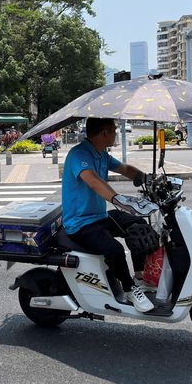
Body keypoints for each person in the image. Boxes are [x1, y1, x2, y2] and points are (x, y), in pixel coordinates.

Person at [61, 117, 154, 312]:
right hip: (80, 224)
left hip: (99, 217)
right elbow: (93, 180)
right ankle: (129, 289)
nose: (116, 134)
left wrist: (147, 178)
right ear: (105, 133)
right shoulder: (79, 154)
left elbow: (125, 169)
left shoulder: (101, 154)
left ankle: (139, 276)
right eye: (114, 130)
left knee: (138, 225)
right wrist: (118, 199)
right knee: (114, 250)